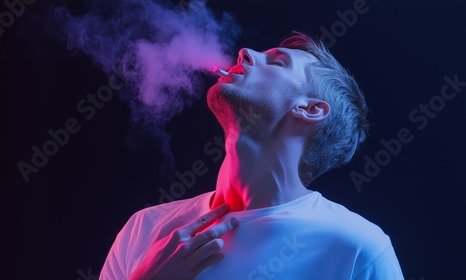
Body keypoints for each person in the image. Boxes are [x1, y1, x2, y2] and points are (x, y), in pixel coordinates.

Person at [99, 32, 405, 280]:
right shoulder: (146, 228)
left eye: (277, 62)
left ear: (310, 109)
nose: (244, 52)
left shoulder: (357, 249)